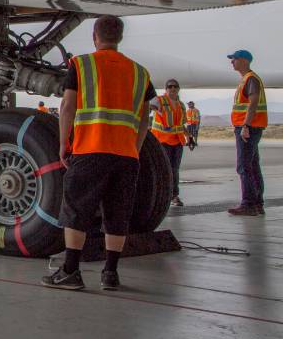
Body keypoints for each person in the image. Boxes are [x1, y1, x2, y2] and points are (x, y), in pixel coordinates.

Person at [43, 15, 155, 292]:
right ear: (120, 37)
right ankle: (110, 273)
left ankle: (70, 271)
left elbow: (68, 106)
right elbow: (145, 118)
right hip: (126, 155)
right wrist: (135, 147)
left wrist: (63, 142)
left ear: (95, 36)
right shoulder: (140, 72)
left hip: (90, 150)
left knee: (76, 211)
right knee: (118, 214)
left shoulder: (81, 65)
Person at [227, 50, 267, 216]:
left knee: (244, 167)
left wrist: (245, 125)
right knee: (253, 166)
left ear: (244, 60)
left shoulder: (250, 79)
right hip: (251, 127)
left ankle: (249, 204)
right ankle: (257, 204)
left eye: (234, 59)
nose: (232, 62)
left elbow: (253, 103)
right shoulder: (247, 79)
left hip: (248, 128)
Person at [151, 79, 188, 207]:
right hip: (163, 141)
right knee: (164, 170)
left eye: (175, 86)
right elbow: (149, 107)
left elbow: (181, 124)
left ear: (178, 89)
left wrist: (189, 137)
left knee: (174, 170)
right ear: (166, 89)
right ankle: (162, 195)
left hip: (177, 142)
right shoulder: (159, 100)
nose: (172, 89)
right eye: (170, 86)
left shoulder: (181, 105)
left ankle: (174, 196)